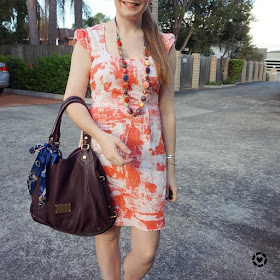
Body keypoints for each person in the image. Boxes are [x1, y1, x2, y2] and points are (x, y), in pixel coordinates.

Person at [63, 0, 177, 279]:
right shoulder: (88, 39)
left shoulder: (164, 44)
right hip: (102, 158)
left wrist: (171, 168)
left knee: (147, 252)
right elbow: (72, 101)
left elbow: (168, 110)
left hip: (150, 162)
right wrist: (101, 137)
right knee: (107, 234)